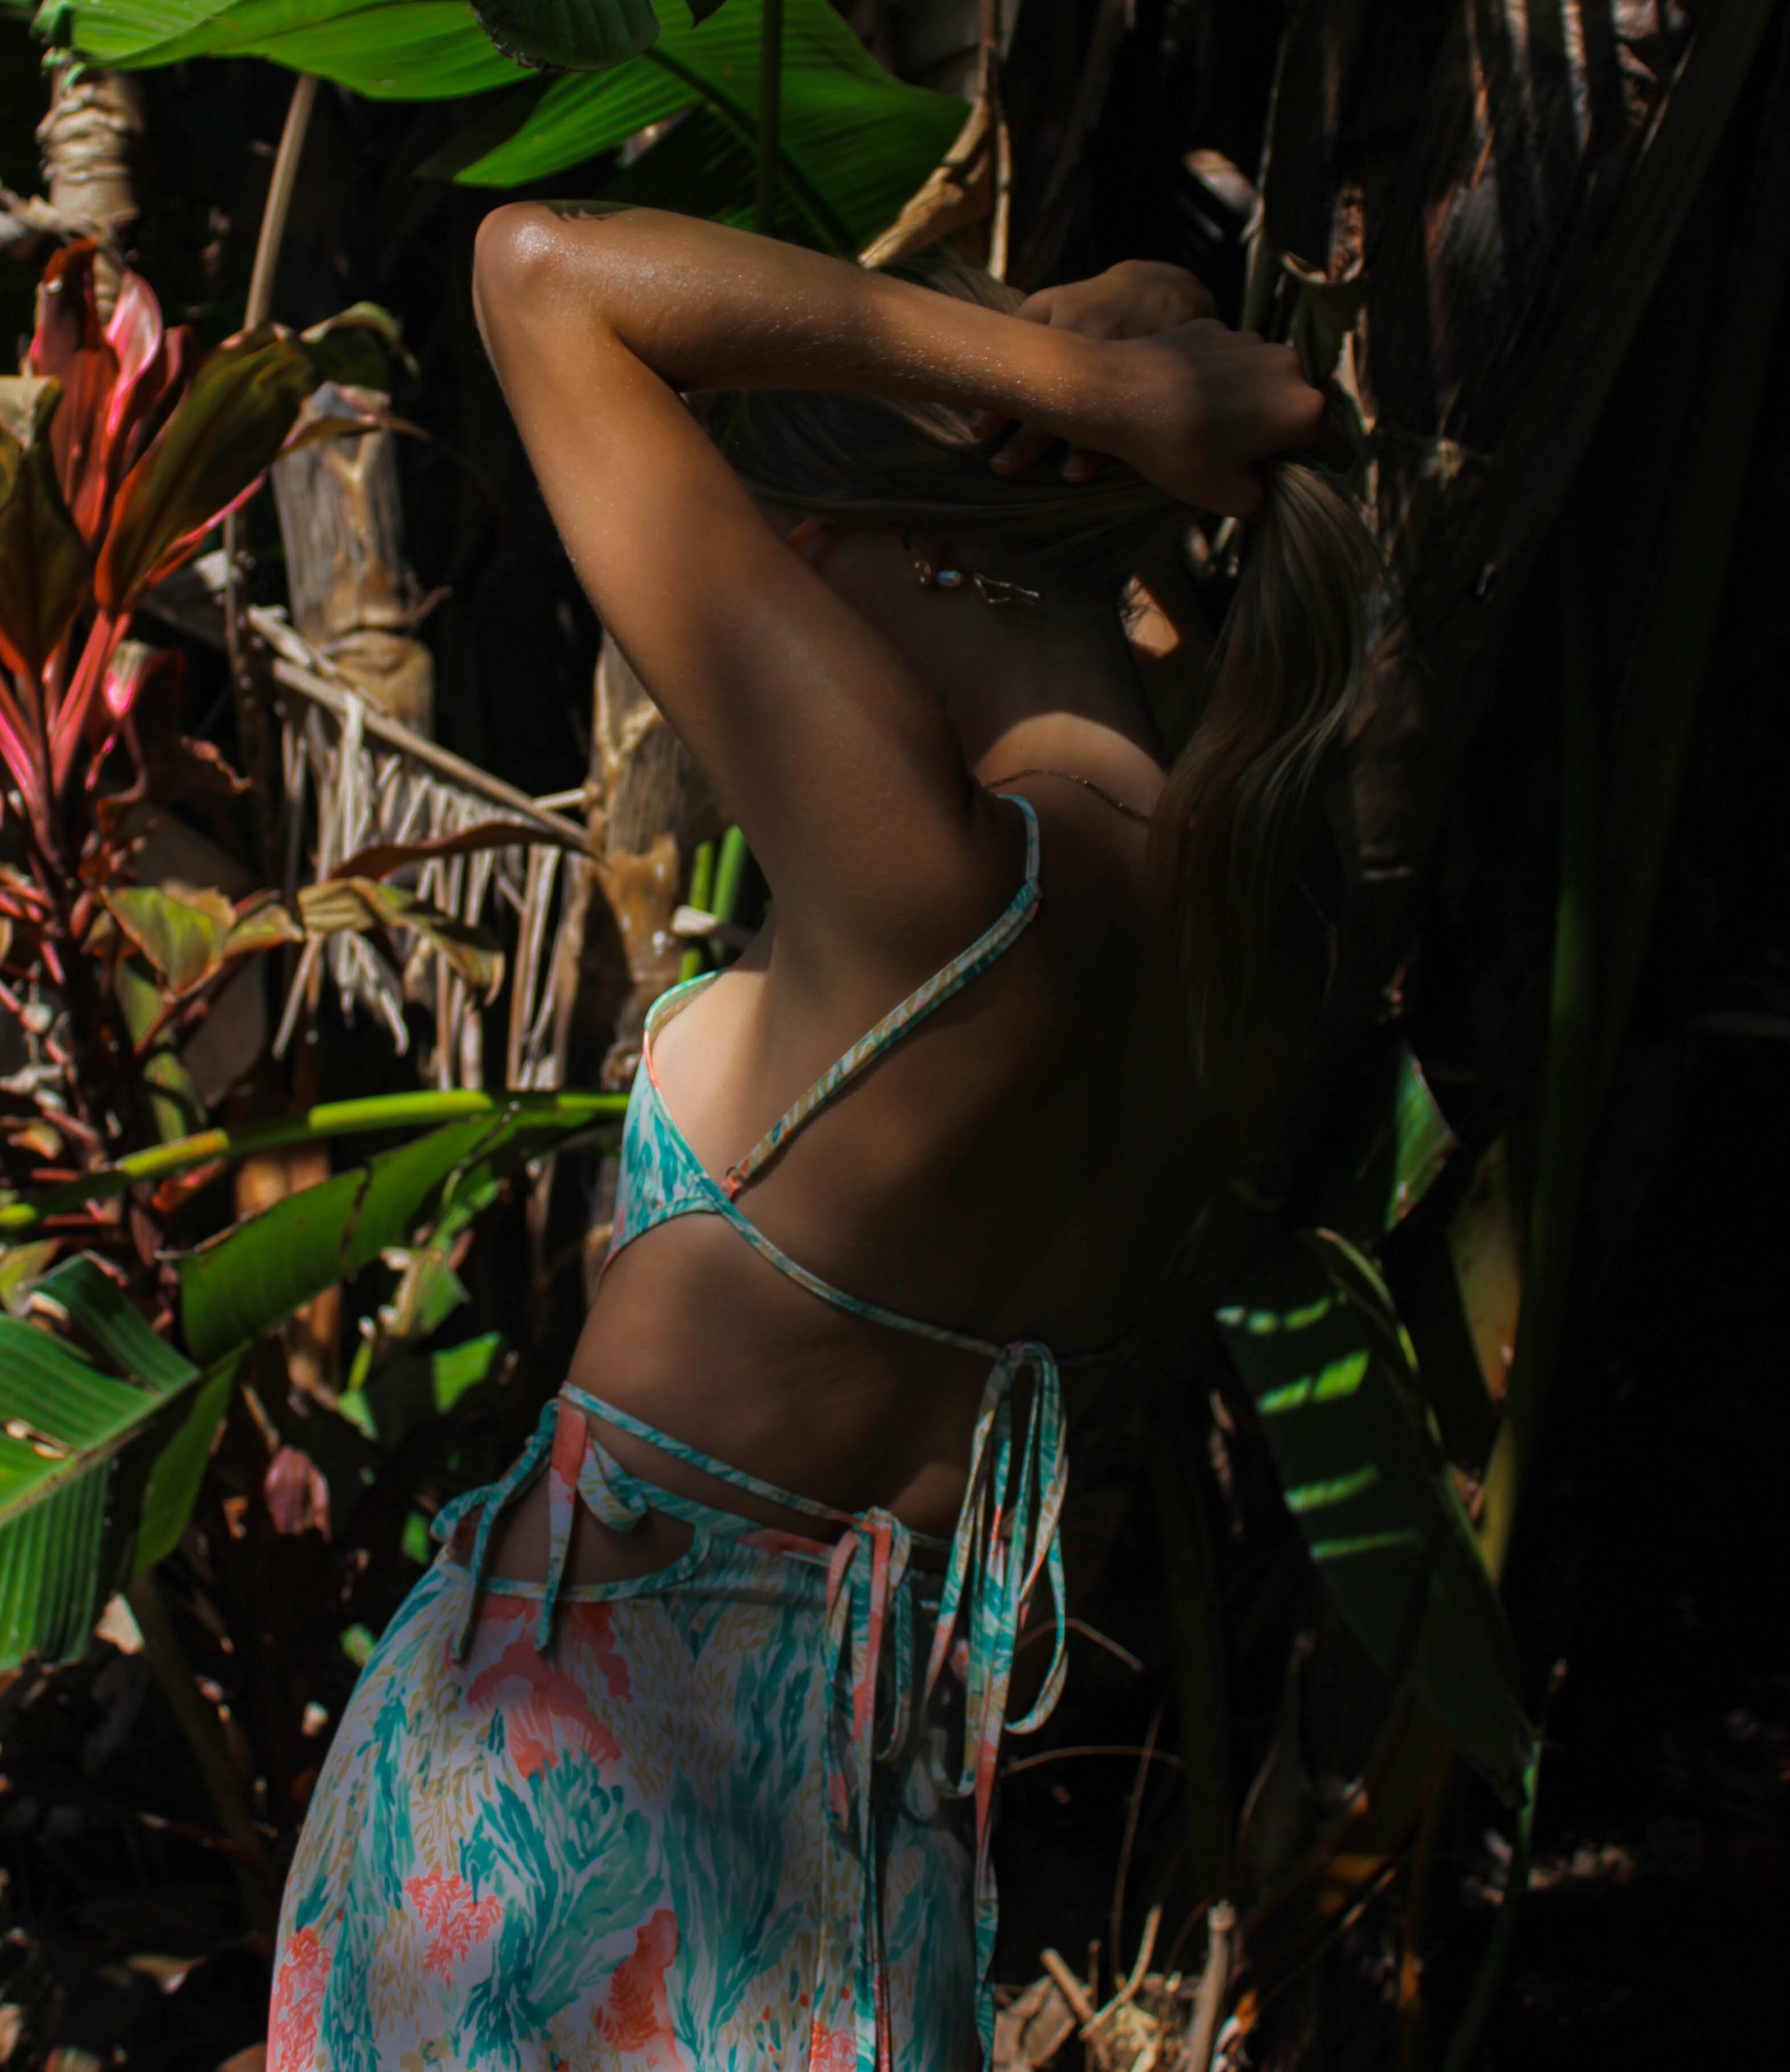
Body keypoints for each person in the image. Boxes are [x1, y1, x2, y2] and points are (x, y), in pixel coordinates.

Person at [268, 212, 1369, 2072]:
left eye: (800, 537)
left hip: (548, 1842)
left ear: (912, 547)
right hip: (857, 1911)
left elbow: (541, 277)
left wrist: (1084, 385)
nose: (771, 571)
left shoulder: (929, 879)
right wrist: (1123, 351)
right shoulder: (1245, 951)